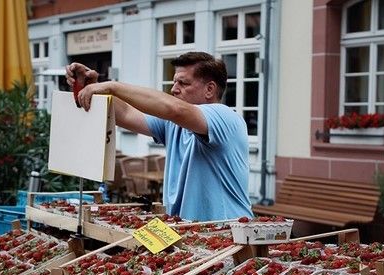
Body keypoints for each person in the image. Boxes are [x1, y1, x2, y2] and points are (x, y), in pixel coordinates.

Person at [66, 52, 253, 221]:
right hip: (187, 231)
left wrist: (112, 86)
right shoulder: (173, 123)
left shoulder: (226, 117)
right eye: (174, 82)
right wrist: (91, 88)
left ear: (210, 90)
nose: (174, 89)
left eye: (183, 83)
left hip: (229, 233)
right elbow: (126, 114)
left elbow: (174, 109)